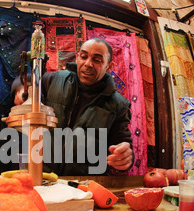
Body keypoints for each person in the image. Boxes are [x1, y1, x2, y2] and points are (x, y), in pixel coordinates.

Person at [12, 38, 134, 175]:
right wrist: (21, 89)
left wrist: (125, 158)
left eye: (97, 60)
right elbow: (27, 81)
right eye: (84, 56)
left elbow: (122, 143)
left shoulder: (118, 105)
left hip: (84, 185)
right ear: (77, 58)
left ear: (108, 66)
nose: (88, 64)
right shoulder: (55, 80)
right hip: (45, 177)